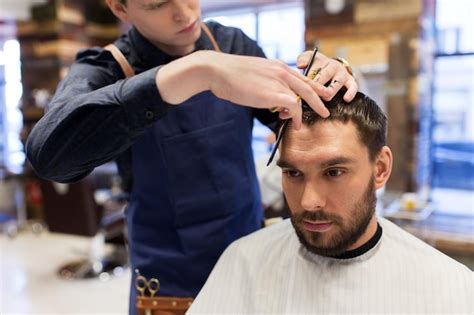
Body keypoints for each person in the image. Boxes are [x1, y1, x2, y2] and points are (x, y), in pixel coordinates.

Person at [25, 0, 358, 312]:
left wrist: (333, 81)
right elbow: (49, 156)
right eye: (158, 4)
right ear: (119, 7)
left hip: (250, 258)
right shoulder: (108, 69)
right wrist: (195, 72)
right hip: (169, 281)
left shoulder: (230, 45)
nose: (184, 14)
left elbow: (301, 119)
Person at [188, 90, 474, 314]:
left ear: (381, 168)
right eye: (294, 173)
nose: (309, 202)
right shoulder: (243, 263)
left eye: (334, 172)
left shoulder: (450, 286)